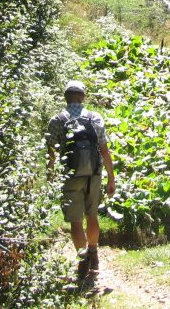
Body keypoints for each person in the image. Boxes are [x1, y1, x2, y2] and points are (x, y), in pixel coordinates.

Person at [46, 80, 115, 285]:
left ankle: (83, 259)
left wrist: (51, 175)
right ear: (82, 97)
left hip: (70, 176)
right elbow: (104, 150)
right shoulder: (95, 118)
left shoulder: (57, 120)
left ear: (66, 97)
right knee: (91, 215)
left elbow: (51, 152)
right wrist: (111, 177)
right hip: (94, 174)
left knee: (75, 221)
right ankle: (94, 255)